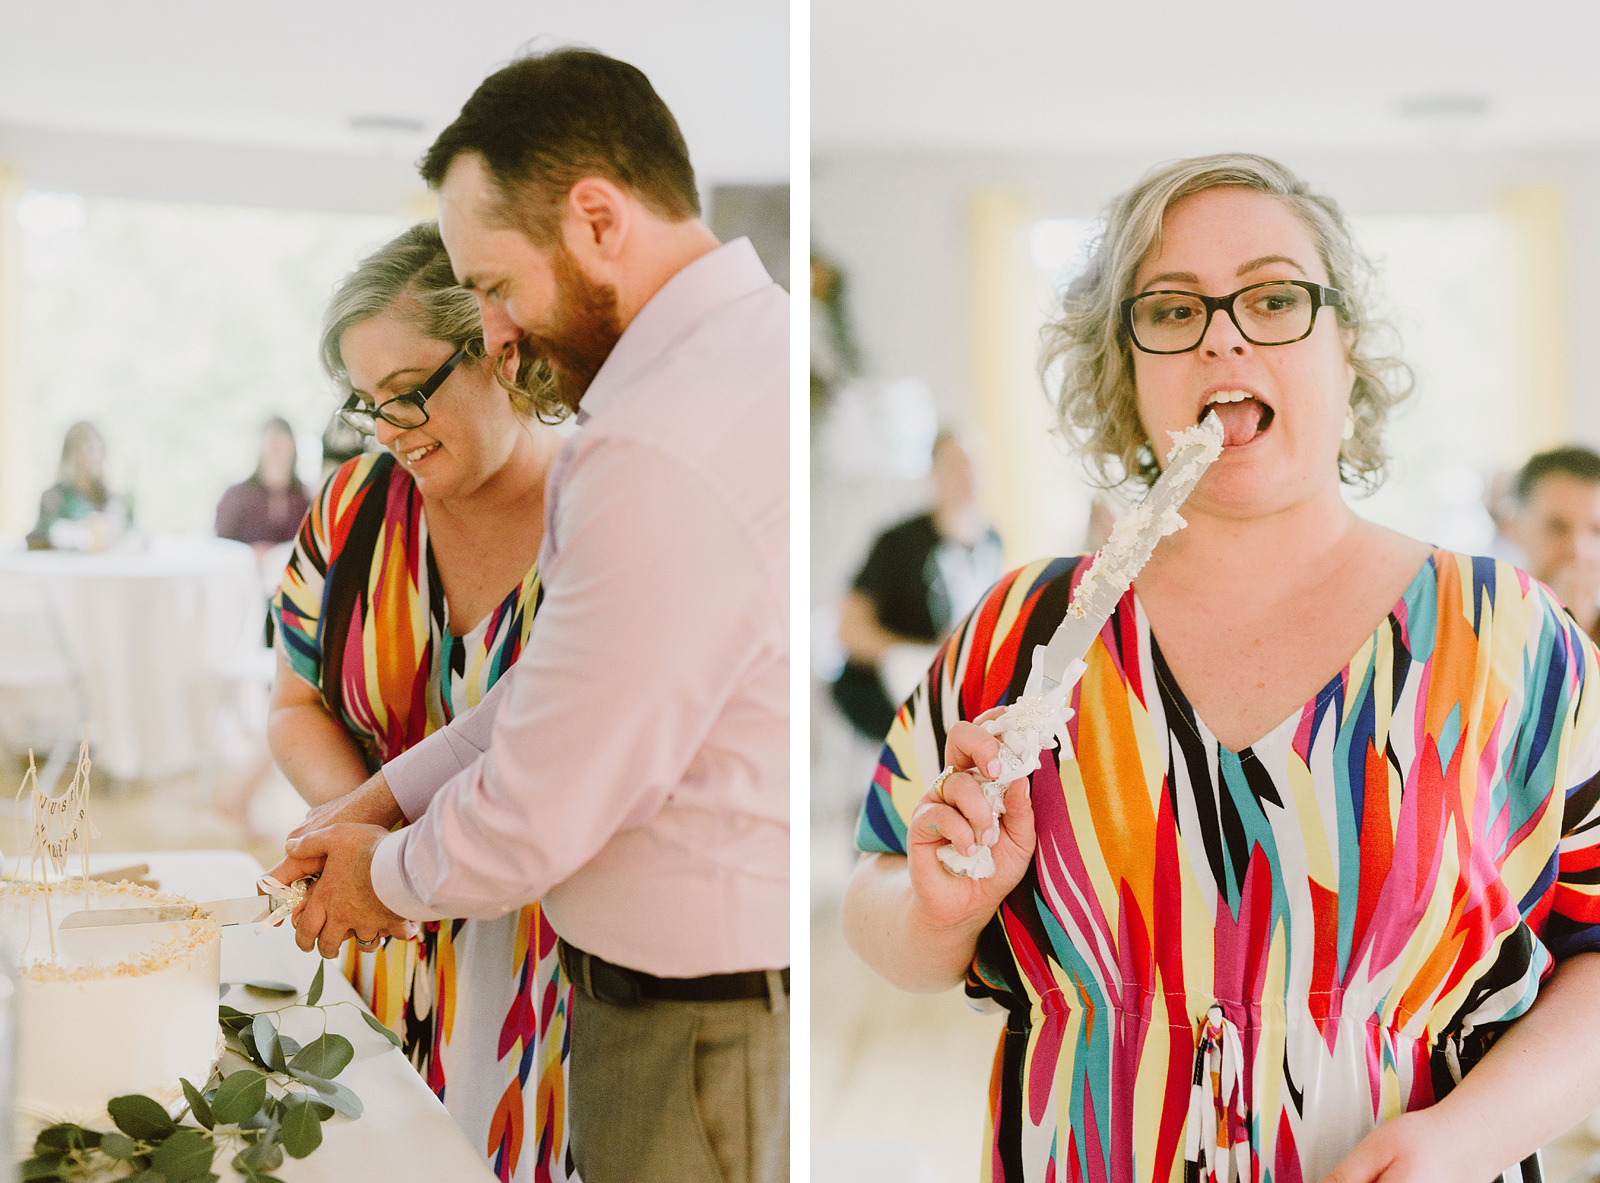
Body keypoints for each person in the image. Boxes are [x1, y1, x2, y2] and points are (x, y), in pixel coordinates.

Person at [842, 154, 1600, 1183]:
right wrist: (938, 906)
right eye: (1170, 310)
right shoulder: (1018, 632)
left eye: (1274, 297)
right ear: (1128, 369)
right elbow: (879, 903)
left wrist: (1460, 1142)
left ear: (1348, 352)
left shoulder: (1514, 637)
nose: (1221, 335)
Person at [269, 49, 789, 1183]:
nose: (502, 331)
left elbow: (538, 806)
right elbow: (550, 686)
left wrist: (378, 872)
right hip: (674, 1000)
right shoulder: (705, 382)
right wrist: (382, 794)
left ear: (597, 219)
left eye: (497, 286)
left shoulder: (661, 439)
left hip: (700, 1012)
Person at [266, 221, 573, 1181]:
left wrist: (396, 843)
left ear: (503, 352)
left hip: (544, 964)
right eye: (367, 404)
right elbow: (294, 702)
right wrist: (358, 832)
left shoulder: (600, 520)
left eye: (407, 394)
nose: (388, 429)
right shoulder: (350, 507)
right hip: (370, 931)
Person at [832, 430, 1003, 739]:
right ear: (934, 473)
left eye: (974, 465)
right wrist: (912, 654)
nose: (967, 475)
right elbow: (849, 630)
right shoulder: (898, 543)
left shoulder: (992, 543)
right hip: (892, 684)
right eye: (955, 465)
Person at [1510, 446, 1600, 645]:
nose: (1579, 551)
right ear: (1514, 528)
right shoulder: (1484, 631)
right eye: (1557, 528)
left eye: (1596, 530)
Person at [214, 417, 311, 554]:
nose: (277, 450)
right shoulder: (236, 496)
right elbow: (220, 547)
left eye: (283, 443)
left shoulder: (306, 498)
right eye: (272, 443)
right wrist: (253, 552)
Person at [26, 421, 128, 550]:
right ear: (71, 452)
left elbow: (127, 529)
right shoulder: (54, 497)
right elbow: (38, 538)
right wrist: (74, 535)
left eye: (99, 449)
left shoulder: (111, 496)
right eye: (88, 449)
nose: (94, 456)